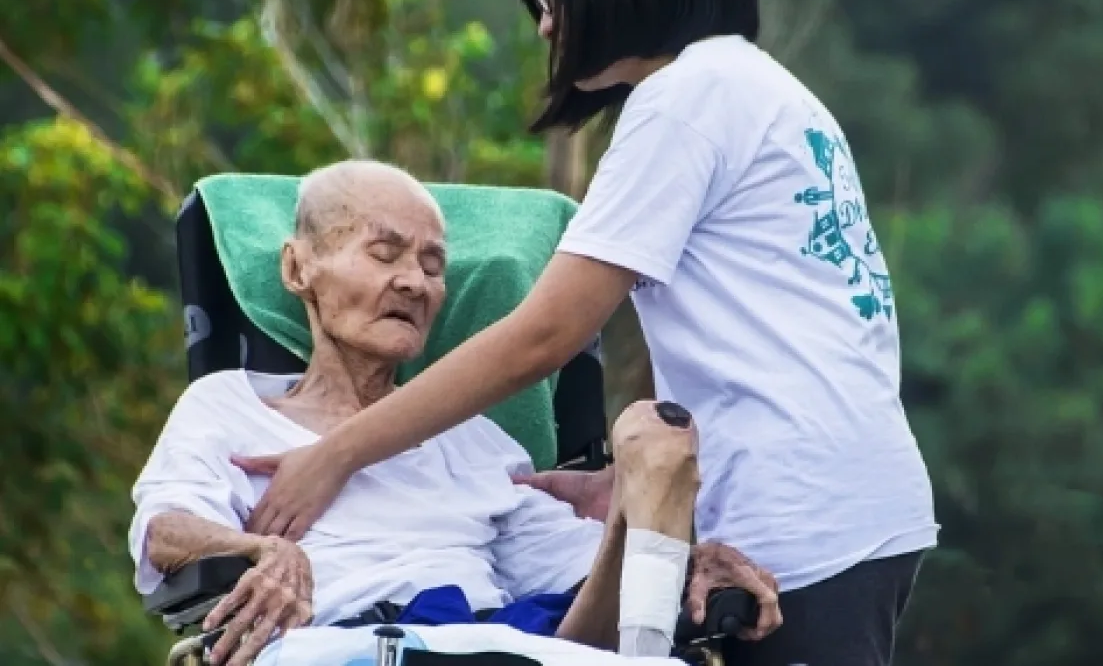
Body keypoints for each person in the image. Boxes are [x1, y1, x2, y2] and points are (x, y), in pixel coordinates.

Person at [235, 0, 939, 665]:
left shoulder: (684, 103)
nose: (546, 30)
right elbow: (762, 326)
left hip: (803, 513)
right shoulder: (753, 85)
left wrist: (336, 454)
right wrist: (622, 485)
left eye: (550, 3)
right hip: (851, 489)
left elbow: (543, 337)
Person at [128, 160, 781, 666]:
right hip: (339, 642)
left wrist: (682, 554)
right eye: (384, 253)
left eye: (433, 264)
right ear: (298, 268)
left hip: (500, 641)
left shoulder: (476, 441)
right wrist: (260, 548)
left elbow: (573, 568)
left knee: (652, 435)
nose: (414, 282)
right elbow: (165, 531)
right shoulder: (230, 403)